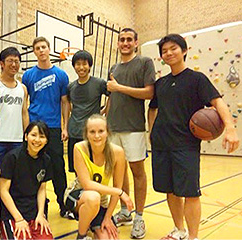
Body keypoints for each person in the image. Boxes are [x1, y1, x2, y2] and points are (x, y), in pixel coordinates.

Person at [148, 34, 240, 240]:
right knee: (170, 191)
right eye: (164, 51)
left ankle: (193, 237)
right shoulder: (161, 83)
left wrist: (230, 128)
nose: (168, 53)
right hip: (162, 144)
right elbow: (152, 109)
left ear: (185, 50)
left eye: (173, 48)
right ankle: (179, 230)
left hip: (185, 146)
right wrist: (152, 132)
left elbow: (218, 103)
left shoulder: (197, 79)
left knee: (190, 193)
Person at [106, 28, 155, 238]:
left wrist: (120, 88)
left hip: (134, 128)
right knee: (119, 172)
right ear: (118, 44)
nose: (125, 43)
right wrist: (104, 116)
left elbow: (149, 93)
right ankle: (125, 211)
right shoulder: (114, 67)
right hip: (113, 128)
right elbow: (111, 96)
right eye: (121, 40)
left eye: (129, 39)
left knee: (137, 172)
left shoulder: (145, 63)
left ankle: (139, 216)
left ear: (136, 42)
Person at [22, 36, 71, 218]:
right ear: (34, 52)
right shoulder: (28, 75)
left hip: (54, 128)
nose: (41, 50)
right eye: (37, 48)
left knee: (58, 167)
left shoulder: (61, 75)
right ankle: (38, 207)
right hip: (34, 127)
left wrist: (65, 126)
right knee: (32, 168)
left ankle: (64, 205)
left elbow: (65, 102)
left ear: (49, 49)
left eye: (43, 47)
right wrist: (25, 129)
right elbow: (24, 102)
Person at [64, 114, 134, 240]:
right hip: (77, 197)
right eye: (92, 132)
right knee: (93, 197)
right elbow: (87, 185)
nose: (97, 136)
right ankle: (81, 236)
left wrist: (107, 218)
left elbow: (117, 187)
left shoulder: (117, 153)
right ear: (86, 134)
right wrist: (120, 192)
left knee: (110, 238)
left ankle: (93, 225)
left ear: (107, 132)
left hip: (100, 202)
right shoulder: (79, 148)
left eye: (101, 131)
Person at [0, 121, 53, 240]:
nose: (37, 140)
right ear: (26, 136)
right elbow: (3, 191)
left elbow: (42, 190)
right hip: (12, 213)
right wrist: (18, 219)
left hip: (34, 212)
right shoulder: (12, 157)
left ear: (46, 140)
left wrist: (40, 214)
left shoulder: (46, 160)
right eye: (33, 135)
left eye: (42, 136)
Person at [67, 50, 109, 173]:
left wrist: (104, 111)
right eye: (78, 64)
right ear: (74, 66)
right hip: (74, 133)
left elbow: (112, 95)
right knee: (77, 171)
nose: (81, 67)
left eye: (84, 64)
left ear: (90, 65)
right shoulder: (71, 87)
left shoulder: (99, 83)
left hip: (92, 135)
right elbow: (66, 104)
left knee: (94, 168)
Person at [0, 47, 29, 163]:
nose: (14, 64)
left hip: (17, 140)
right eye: (10, 61)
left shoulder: (23, 88)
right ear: (2, 64)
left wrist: (26, 135)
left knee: (16, 176)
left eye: (16, 61)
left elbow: (24, 113)